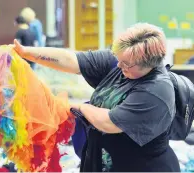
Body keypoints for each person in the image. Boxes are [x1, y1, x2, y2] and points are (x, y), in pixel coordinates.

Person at [12, 23, 180, 172]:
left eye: (126, 64)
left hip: (143, 166)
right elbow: (71, 59)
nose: (119, 66)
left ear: (149, 64)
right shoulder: (120, 63)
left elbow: (109, 123)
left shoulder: (157, 91)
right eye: (118, 59)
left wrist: (82, 107)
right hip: (104, 161)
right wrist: (26, 52)